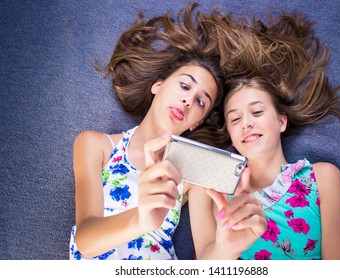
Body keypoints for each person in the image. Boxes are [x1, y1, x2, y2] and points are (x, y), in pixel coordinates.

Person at [69, 3, 266, 260]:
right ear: (158, 86)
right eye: (185, 86)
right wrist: (141, 219)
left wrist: (227, 249)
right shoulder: (96, 145)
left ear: (196, 122)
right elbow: (85, 241)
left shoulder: (193, 177)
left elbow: (207, 259)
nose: (188, 100)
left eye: (200, 102)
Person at [189, 10, 340, 260]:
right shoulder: (210, 190)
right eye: (235, 118)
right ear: (230, 134)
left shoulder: (323, 178)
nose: (246, 123)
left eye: (256, 111)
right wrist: (224, 248)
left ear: (281, 121)